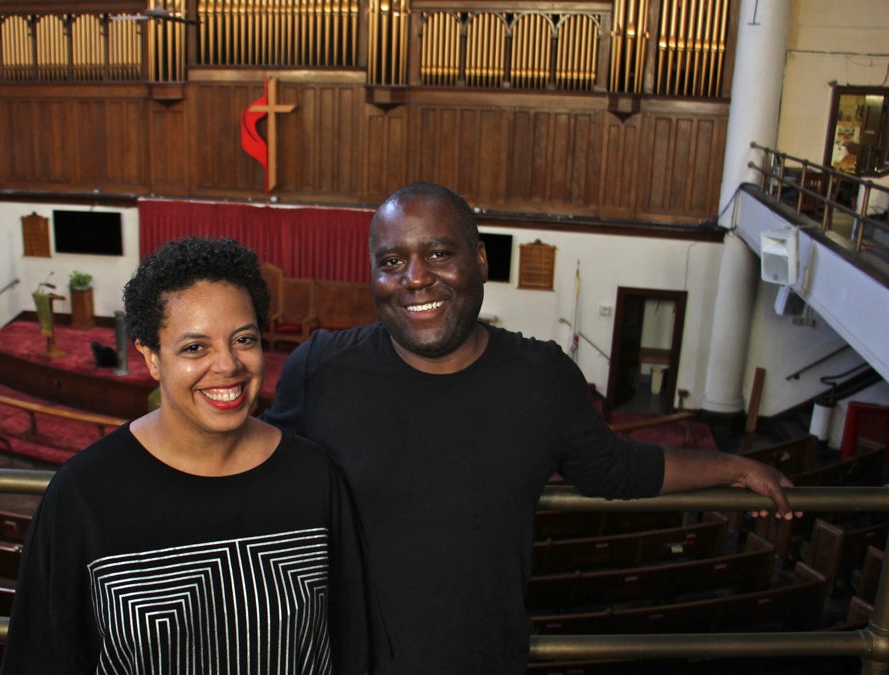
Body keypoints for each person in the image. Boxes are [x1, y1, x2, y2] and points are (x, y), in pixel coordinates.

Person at [263, 182, 797, 674]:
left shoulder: (541, 378)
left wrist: (731, 465)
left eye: (439, 254)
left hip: (482, 659)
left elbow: (615, 468)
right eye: (393, 260)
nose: (416, 277)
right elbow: (259, 474)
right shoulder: (321, 370)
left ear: (479, 261)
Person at [2, 237, 367, 675]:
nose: (228, 365)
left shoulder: (313, 476)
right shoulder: (84, 495)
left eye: (243, 339)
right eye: (195, 347)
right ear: (151, 357)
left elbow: (349, 644)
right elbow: (43, 658)